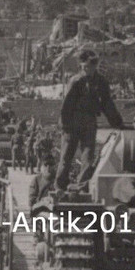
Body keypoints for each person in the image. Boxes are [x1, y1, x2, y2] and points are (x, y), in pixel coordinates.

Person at [55, 50, 125, 191]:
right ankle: (60, 187)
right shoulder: (76, 81)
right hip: (72, 121)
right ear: (81, 65)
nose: (89, 69)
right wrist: (65, 125)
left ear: (95, 66)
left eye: (92, 66)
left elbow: (107, 104)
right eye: (86, 66)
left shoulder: (101, 82)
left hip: (89, 121)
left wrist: (117, 123)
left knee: (88, 156)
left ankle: (82, 186)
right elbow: (67, 105)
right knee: (66, 156)